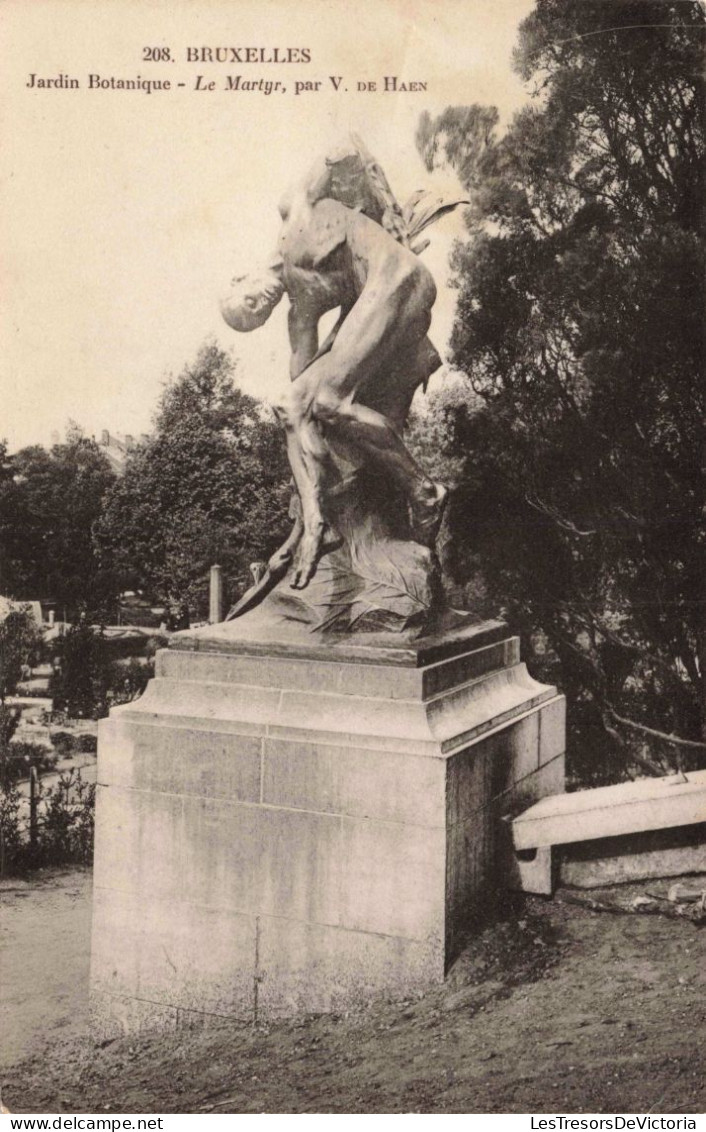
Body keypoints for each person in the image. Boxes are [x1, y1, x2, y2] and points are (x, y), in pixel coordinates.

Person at [222, 140, 452, 593]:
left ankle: (424, 491)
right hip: (384, 301)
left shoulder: (294, 212)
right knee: (293, 406)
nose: (260, 306)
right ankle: (317, 524)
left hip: (398, 276)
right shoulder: (299, 312)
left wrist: (388, 213)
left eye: (249, 301)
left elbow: (344, 146)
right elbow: (296, 405)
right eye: (255, 317)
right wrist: (309, 502)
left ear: (241, 278)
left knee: (328, 399)